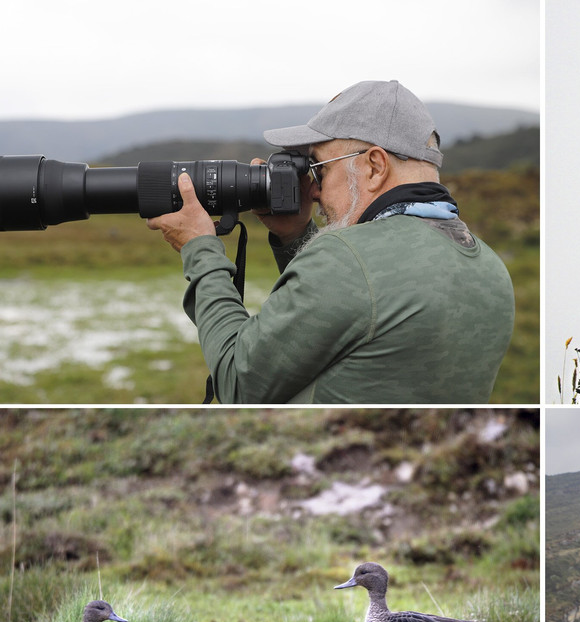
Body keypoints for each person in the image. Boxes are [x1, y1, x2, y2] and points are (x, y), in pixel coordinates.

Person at [147, 80, 515, 404]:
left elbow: (238, 382)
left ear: (374, 166)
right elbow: (352, 324)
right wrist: (295, 234)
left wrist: (200, 248)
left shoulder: (348, 259)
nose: (314, 190)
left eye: (319, 168)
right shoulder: (489, 266)